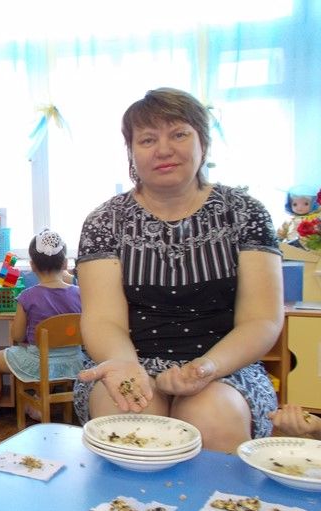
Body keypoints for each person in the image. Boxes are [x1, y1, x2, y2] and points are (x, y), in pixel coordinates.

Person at [74, 88, 283, 453]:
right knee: (133, 422)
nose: (164, 150)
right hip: (126, 360)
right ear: (131, 151)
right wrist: (126, 366)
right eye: (147, 139)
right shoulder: (104, 221)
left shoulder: (245, 212)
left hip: (224, 366)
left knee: (213, 418)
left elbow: (261, 319)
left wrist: (206, 368)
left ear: (204, 142)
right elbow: (103, 319)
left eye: (179, 134)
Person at [0, 230, 83, 434]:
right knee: (49, 354)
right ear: (65, 264)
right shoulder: (79, 293)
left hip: (40, 364)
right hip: (74, 362)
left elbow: (17, 336)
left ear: (32, 265)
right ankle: (37, 406)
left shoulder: (28, 296)